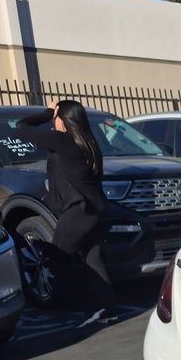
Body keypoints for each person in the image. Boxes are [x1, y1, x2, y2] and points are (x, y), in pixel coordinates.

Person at [17, 100, 116, 324]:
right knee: (93, 258)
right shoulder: (89, 142)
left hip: (78, 212)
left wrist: (46, 113)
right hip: (97, 209)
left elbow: (21, 127)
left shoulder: (62, 141)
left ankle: (76, 307)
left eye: (55, 118)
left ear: (61, 119)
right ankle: (106, 308)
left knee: (58, 259)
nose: (53, 122)